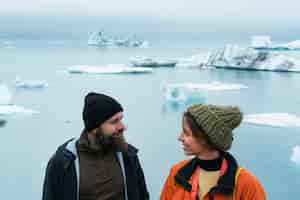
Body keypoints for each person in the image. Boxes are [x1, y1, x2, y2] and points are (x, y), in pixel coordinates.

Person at [42, 92, 149, 200]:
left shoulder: (127, 155)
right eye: (114, 121)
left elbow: (143, 196)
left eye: (121, 119)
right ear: (95, 128)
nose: (122, 126)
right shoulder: (64, 162)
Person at [160, 104, 266, 200]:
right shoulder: (176, 173)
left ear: (205, 138)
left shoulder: (246, 184)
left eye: (187, 133)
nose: (180, 138)